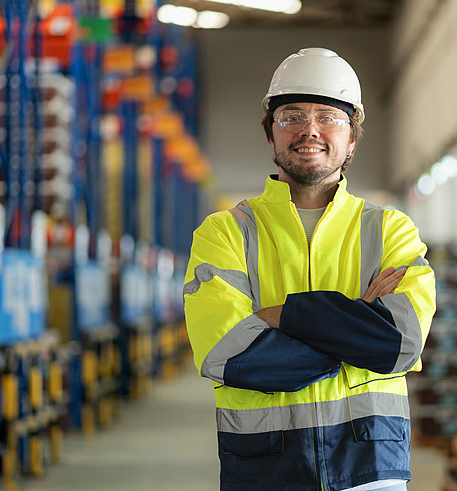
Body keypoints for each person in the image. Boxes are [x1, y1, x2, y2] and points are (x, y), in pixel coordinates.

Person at [184, 47, 436, 490]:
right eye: (292, 116)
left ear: (352, 137)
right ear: (271, 134)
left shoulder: (390, 230)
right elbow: (230, 356)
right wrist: (356, 322)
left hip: (371, 466)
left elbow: (400, 344)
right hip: (265, 469)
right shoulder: (224, 233)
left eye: (329, 117)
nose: (309, 131)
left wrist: (280, 316)